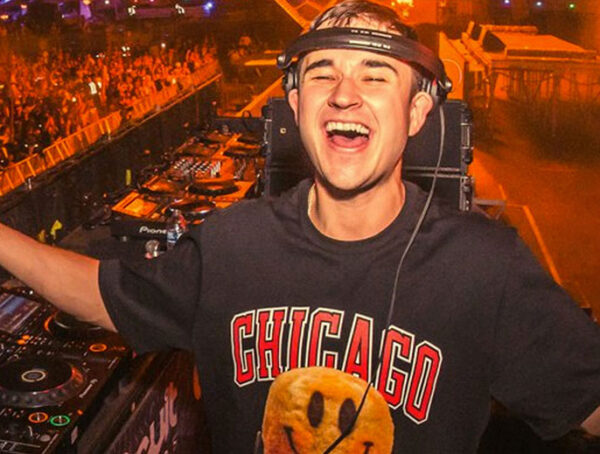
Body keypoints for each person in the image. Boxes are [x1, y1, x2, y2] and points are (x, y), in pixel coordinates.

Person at [0, 1, 599, 452]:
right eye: (322, 74)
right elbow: (104, 294)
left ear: (417, 111)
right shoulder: (233, 243)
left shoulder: (485, 267)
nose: (344, 95)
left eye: (375, 75)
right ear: (296, 106)